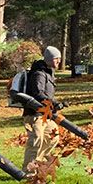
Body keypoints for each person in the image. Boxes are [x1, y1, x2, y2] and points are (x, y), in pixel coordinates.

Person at [12, 45, 65, 175]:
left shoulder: (48, 73)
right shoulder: (38, 74)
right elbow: (38, 93)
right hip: (34, 114)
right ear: (49, 59)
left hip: (45, 114)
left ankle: (37, 164)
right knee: (35, 141)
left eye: (59, 58)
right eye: (56, 59)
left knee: (53, 137)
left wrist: (54, 104)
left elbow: (46, 95)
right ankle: (29, 172)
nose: (59, 61)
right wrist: (54, 103)